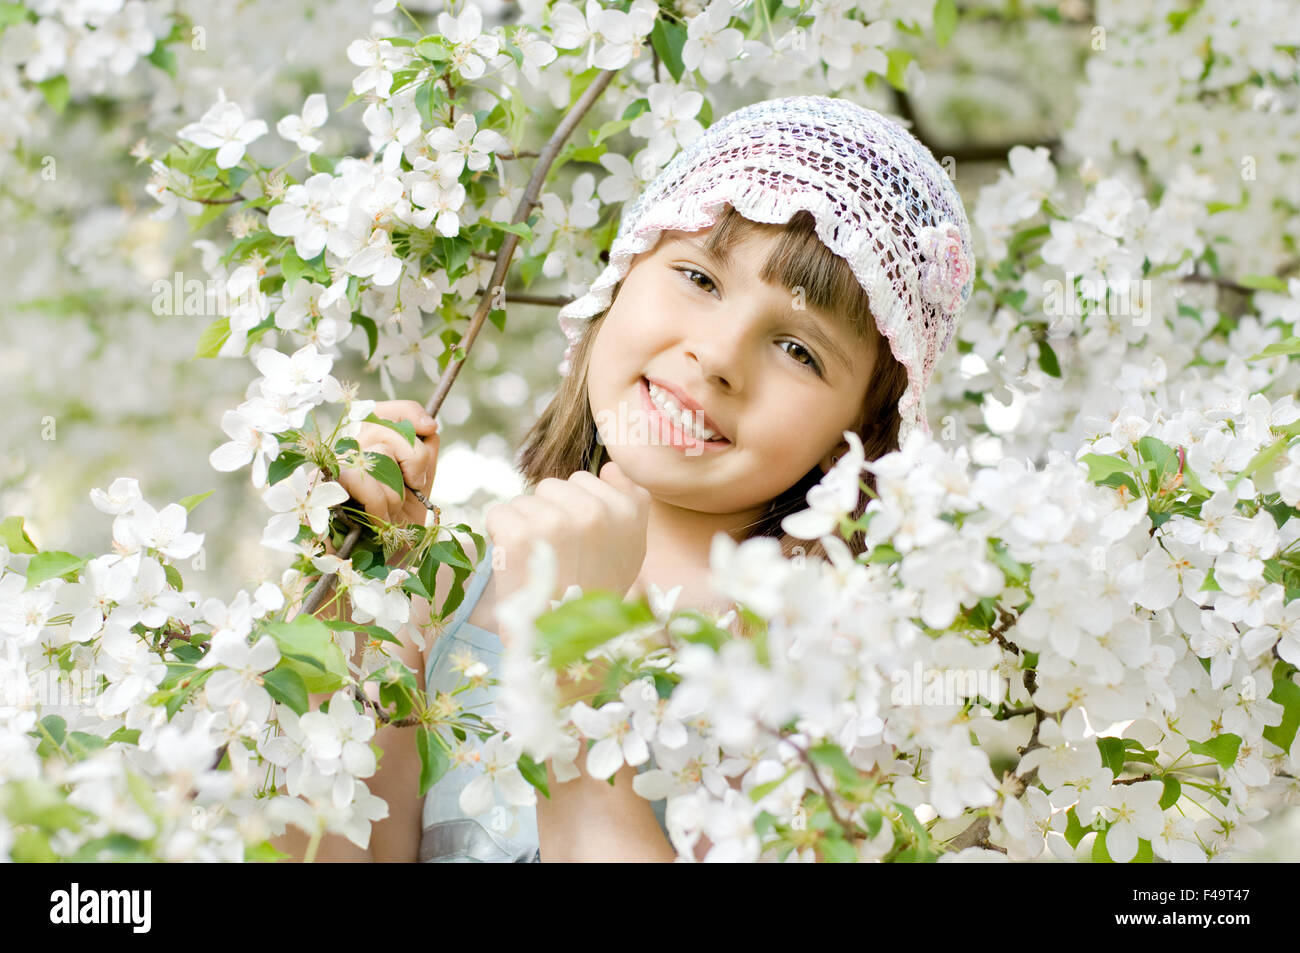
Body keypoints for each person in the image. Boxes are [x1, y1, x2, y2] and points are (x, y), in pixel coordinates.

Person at [282, 94, 975, 863]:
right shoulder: (461, 579)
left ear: (853, 445)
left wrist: (572, 681)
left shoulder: (830, 662)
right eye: (700, 278)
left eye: (799, 351)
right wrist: (357, 587)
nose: (717, 356)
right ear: (620, 276)